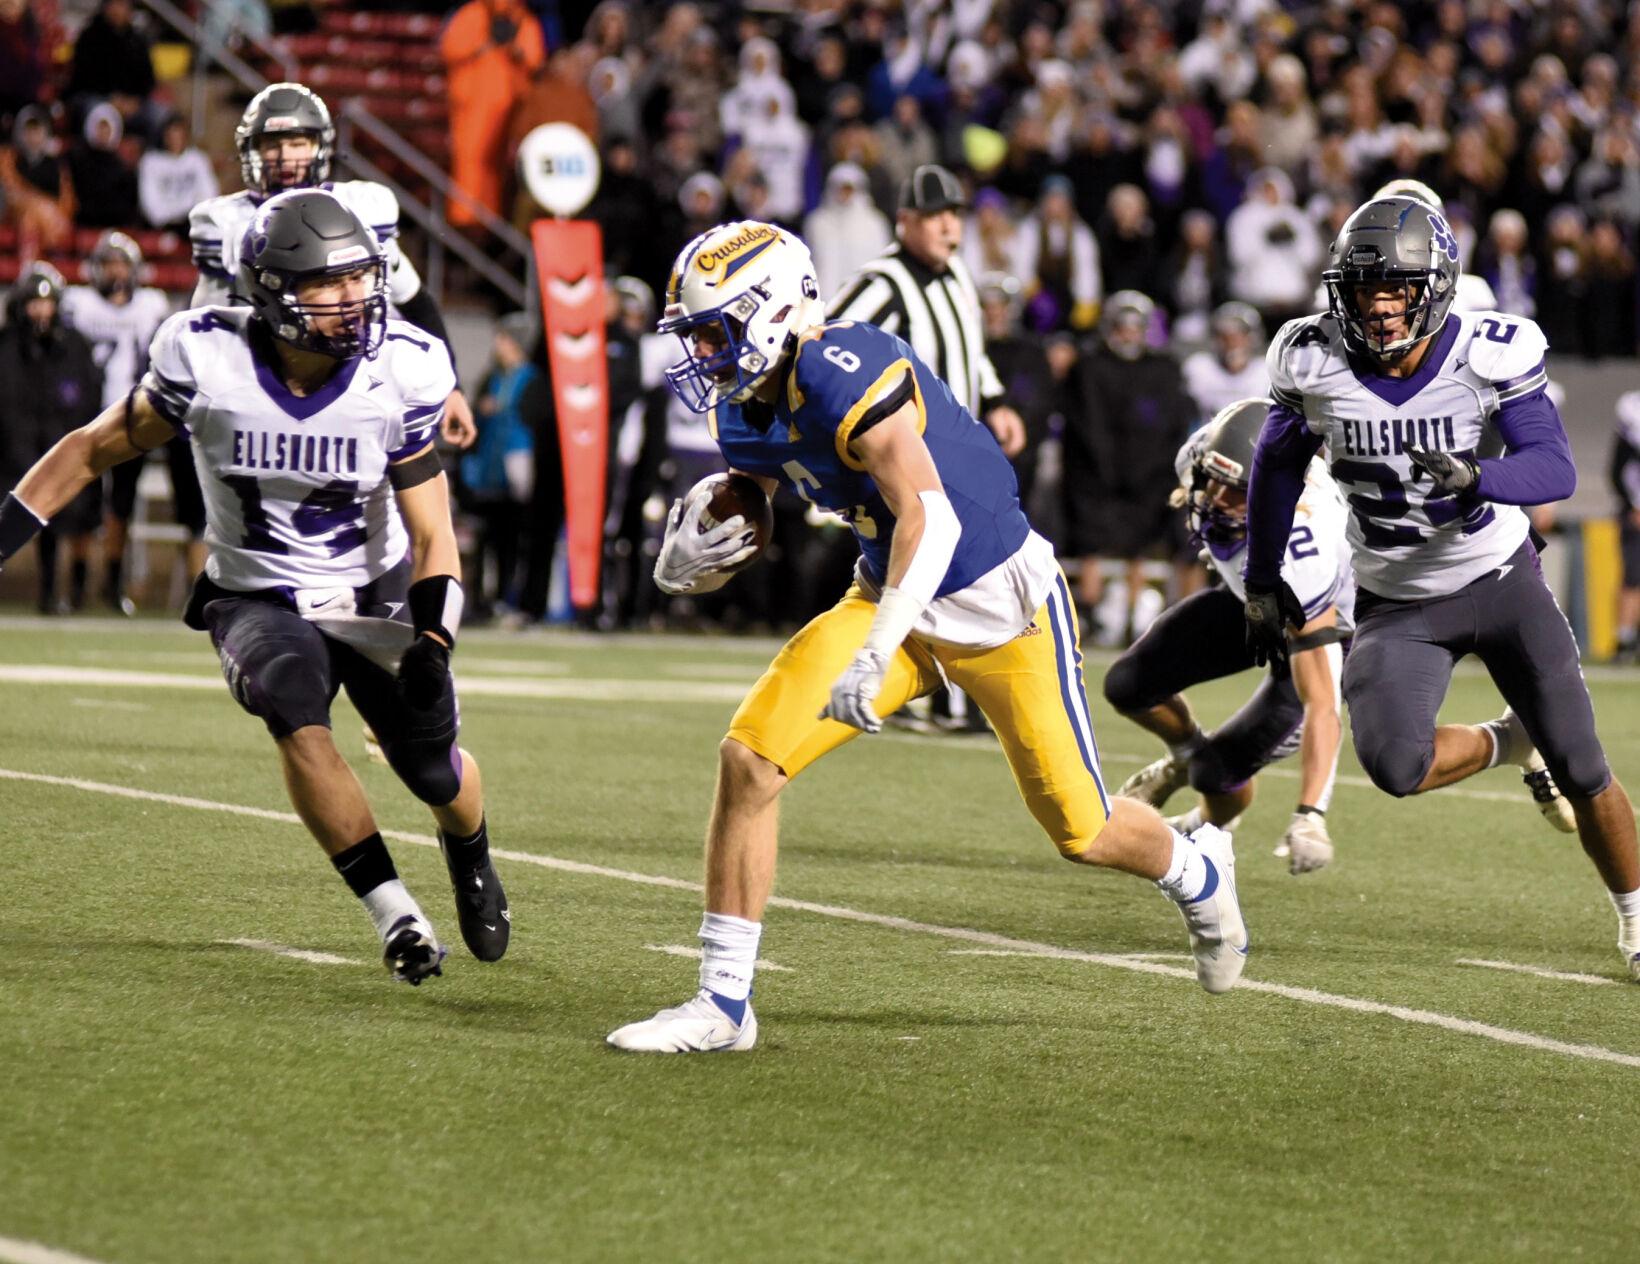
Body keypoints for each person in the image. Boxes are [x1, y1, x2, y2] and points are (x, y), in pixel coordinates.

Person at [606, 221, 1248, 1054]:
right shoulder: (745, 404)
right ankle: (723, 1005)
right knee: (750, 759)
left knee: (1082, 829)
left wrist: (877, 648)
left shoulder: (845, 368)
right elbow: (759, 487)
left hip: (999, 606)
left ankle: (1197, 869)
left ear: (771, 313)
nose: (703, 354)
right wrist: (712, 537)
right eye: (694, 335)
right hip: (890, 597)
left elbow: (931, 518)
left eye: (714, 331)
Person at [0, 190, 510, 982]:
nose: (355, 301)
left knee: (434, 772)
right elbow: (89, 450)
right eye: (330, 285)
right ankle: (395, 913)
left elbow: (434, 531)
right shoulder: (206, 357)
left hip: (369, 593)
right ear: (273, 293)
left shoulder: (399, 368)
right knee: (292, 707)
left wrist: (435, 639)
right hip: (255, 591)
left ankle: (469, 848)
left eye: (361, 280)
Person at [1244, 194, 1639, 977]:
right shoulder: (1312, 356)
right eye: (1366, 290)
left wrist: (1479, 475)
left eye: (1397, 289)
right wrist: (1262, 580)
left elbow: (1556, 467)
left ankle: (1636, 916)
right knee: (1394, 765)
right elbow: (1276, 465)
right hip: (1396, 601)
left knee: (1584, 764)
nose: (1382, 307)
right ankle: (1505, 741)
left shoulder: (1488, 348)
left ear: (1434, 289)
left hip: (1498, 580)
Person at [1105, 399, 1351, 874]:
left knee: (1217, 772)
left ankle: (1206, 823)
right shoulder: (1205, 457)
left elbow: (1323, 703)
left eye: (1237, 491)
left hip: (1320, 628)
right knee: (1128, 685)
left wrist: (1311, 814)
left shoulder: (1304, 552)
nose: (1217, 497)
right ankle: (1183, 755)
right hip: (1251, 601)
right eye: (1214, 479)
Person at [189, 82, 476, 447]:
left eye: (297, 143)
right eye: (273, 144)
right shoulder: (225, 223)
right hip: (266, 388)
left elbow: (417, 302)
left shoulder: (359, 208)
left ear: (319, 146)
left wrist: (452, 387)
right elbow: (204, 323)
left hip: (355, 380)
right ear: (252, 150)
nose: (285, 157)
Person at [60, 230, 194, 614]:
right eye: (109, 265)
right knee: (82, 503)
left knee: (120, 504)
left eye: (121, 264)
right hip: (85, 415)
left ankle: (112, 582)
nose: (116, 272)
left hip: (131, 417)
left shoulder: (150, 306)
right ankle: (77, 583)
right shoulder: (79, 303)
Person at [1061, 290, 1198, 644]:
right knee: (1091, 542)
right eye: (1122, 327)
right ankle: (1091, 616)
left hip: (1148, 474)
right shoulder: (1090, 366)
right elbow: (1083, 424)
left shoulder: (1163, 369)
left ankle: (1135, 614)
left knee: (1142, 545)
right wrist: (1104, 468)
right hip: (1098, 474)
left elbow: (1174, 424)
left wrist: (1152, 469)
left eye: (1135, 327)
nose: (1128, 334)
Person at [0, 263, 103, 614]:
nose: (41, 311)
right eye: (33, 302)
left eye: (46, 303)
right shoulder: (6, 346)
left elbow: (88, 397)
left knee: (61, 519)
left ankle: (57, 592)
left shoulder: (74, 346)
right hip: (9, 451)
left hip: (55, 448)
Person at [1181, 301, 1270, 425]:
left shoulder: (1265, 371)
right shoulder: (1200, 367)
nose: (1232, 343)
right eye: (1224, 336)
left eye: (1239, 336)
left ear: (1253, 338)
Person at [139, 111, 218, 231]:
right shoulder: (151, 162)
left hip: (194, 223)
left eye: (180, 135)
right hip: (164, 226)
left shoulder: (198, 159)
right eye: (171, 135)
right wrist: (172, 217)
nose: (176, 140)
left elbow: (209, 194)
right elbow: (151, 205)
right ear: (164, 136)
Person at [1611, 390, 1640, 663]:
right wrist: (1634, 506)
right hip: (1635, 511)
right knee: (1632, 576)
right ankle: (1624, 639)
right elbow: (1618, 468)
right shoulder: (1633, 408)